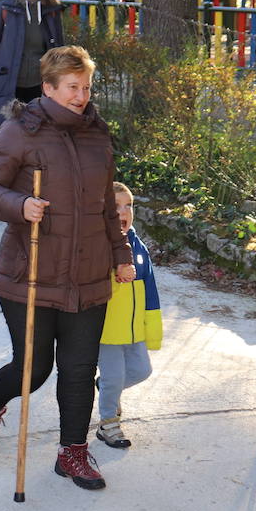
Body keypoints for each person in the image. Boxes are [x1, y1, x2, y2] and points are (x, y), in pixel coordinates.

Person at [0, 45, 133, 491]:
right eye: (72, 88)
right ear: (48, 88)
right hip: (31, 274)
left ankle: (73, 454)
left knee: (79, 370)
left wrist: (120, 255)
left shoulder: (97, 134)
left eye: (86, 87)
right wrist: (20, 204)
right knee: (34, 367)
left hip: (87, 275)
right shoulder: (20, 131)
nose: (82, 96)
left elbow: (105, 206)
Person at [93, 181, 162, 448]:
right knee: (114, 377)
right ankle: (108, 424)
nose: (124, 211)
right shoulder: (98, 244)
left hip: (133, 328)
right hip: (107, 329)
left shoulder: (139, 246)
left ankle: (107, 387)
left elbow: (151, 290)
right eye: (116, 206)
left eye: (129, 205)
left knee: (141, 370)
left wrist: (151, 327)